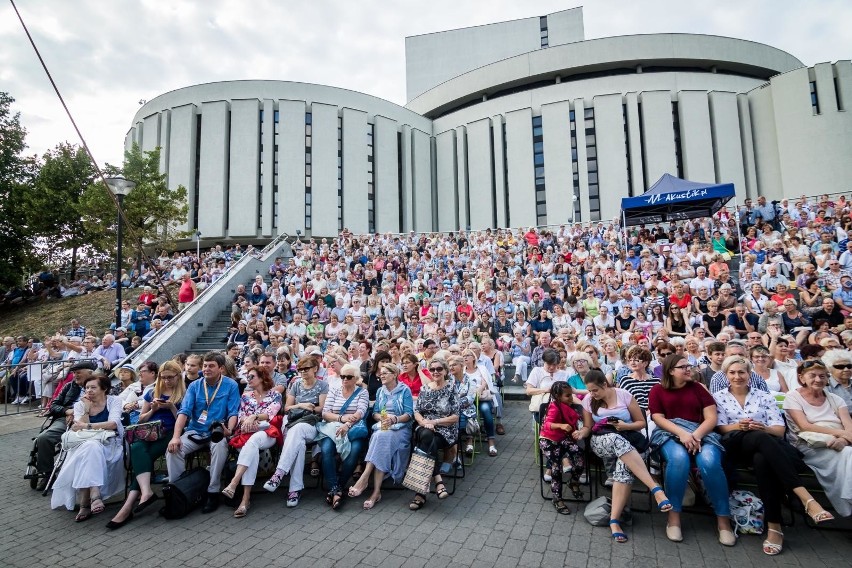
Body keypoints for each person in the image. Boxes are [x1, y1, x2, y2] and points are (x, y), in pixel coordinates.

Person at [713, 355, 833, 555]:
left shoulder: (764, 395)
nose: (737, 376)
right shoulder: (718, 397)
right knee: (759, 438)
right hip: (735, 445)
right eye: (732, 373)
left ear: (749, 374)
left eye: (741, 372)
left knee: (763, 458)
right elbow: (720, 428)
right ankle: (806, 499)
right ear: (726, 375)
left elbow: (778, 430)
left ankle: (775, 528)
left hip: (766, 447)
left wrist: (763, 428)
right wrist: (740, 426)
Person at [649, 354, 735, 546]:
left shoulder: (698, 388)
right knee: (679, 459)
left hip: (701, 433)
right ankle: (674, 517)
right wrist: (682, 434)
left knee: (709, 462)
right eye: (683, 367)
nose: (689, 369)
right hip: (670, 433)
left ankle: (723, 520)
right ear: (671, 371)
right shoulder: (657, 390)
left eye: (689, 366)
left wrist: (695, 435)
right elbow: (658, 418)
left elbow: (711, 418)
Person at [578, 370, 672, 542]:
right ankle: (655, 488)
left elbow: (641, 423)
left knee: (623, 467)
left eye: (595, 390)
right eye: (590, 391)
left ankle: (614, 520)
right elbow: (588, 426)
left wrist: (624, 426)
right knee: (615, 439)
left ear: (605, 385)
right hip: (601, 441)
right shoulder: (589, 400)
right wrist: (580, 432)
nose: (592, 394)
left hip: (628, 440)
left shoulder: (624, 395)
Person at [106, 361, 185, 529]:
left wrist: (171, 407)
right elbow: (141, 419)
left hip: (170, 432)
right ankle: (145, 491)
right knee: (136, 448)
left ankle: (129, 505)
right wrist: (154, 409)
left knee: (144, 457)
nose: (167, 381)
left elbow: (184, 421)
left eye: (170, 377)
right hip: (149, 431)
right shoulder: (151, 392)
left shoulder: (184, 394)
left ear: (178, 376)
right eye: (163, 378)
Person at [166, 352, 241, 514]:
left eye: (211, 366)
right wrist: (175, 437)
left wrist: (229, 430)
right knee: (173, 450)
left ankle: (213, 491)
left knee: (220, 447)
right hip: (195, 431)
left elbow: (233, 412)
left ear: (220, 368)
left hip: (217, 431)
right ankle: (178, 490)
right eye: (205, 366)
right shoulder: (194, 386)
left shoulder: (231, 385)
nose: (206, 369)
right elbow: (184, 412)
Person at [50, 373, 124, 520]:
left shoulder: (114, 401)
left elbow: (113, 424)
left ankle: (85, 503)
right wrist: (85, 409)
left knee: (91, 447)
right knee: (91, 447)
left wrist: (88, 425)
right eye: (87, 388)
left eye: (93, 387)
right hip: (84, 445)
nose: (88, 390)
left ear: (104, 389)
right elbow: (79, 428)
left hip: (109, 444)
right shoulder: (80, 404)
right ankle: (95, 494)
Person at [783, 359, 852, 517]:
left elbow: (850, 427)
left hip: (842, 445)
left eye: (822, 376)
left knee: (848, 455)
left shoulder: (836, 399)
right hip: (810, 446)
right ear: (802, 378)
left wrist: (843, 440)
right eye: (812, 375)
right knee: (849, 455)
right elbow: (804, 426)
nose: (818, 379)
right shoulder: (793, 397)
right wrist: (840, 435)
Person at [264, 356, 328, 507]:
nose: (303, 372)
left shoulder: (323, 385)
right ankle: (294, 490)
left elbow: (322, 409)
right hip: (294, 422)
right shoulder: (296, 385)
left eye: (306, 369)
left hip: (312, 424)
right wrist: (302, 406)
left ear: (315, 369)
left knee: (297, 431)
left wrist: (309, 406)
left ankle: (279, 473)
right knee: (298, 444)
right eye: (300, 369)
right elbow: (286, 408)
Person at [348, 363, 414, 509]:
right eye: (380, 373)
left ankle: (365, 477)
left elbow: (409, 414)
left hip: (401, 428)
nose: (381, 376)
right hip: (384, 426)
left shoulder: (404, 390)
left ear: (394, 374)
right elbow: (375, 412)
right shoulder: (380, 391)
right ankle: (376, 492)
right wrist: (383, 418)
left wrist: (394, 419)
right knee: (381, 437)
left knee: (380, 438)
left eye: (385, 373)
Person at [221, 366, 283, 518]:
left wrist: (253, 417)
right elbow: (241, 415)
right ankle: (245, 499)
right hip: (248, 433)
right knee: (251, 449)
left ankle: (234, 483)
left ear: (262, 378)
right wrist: (247, 419)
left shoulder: (275, 394)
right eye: (247, 377)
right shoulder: (246, 396)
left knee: (254, 440)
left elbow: (270, 414)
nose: (248, 380)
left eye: (252, 377)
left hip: (267, 433)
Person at [34, 360, 97, 491]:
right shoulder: (69, 386)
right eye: (73, 373)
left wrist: (80, 412)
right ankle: (47, 474)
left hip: (90, 420)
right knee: (44, 438)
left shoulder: (99, 386)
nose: (75, 375)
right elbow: (53, 405)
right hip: (65, 419)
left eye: (78, 372)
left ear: (90, 373)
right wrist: (67, 411)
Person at [409, 358, 459, 511]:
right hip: (425, 426)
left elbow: (455, 416)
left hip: (445, 430)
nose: (435, 372)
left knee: (425, 444)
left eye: (439, 369)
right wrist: (424, 422)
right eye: (432, 370)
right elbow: (417, 412)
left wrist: (435, 422)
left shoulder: (451, 388)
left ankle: (420, 494)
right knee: (427, 436)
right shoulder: (425, 389)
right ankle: (438, 481)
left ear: (445, 371)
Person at [319, 363, 369, 510]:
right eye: (342, 376)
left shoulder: (362, 392)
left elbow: (360, 412)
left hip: (354, 429)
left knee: (354, 452)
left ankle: (337, 487)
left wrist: (347, 424)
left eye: (348, 377)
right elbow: (325, 413)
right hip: (332, 427)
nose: (345, 379)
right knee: (326, 450)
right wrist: (341, 419)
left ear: (356, 379)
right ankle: (336, 489)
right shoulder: (334, 390)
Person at [539, 381, 586, 514]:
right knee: (556, 466)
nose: (571, 398)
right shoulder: (554, 407)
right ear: (557, 396)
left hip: (562, 438)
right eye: (567, 396)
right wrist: (560, 425)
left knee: (579, 455)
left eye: (571, 395)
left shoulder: (569, 406)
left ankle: (573, 482)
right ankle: (557, 498)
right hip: (548, 440)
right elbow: (547, 425)